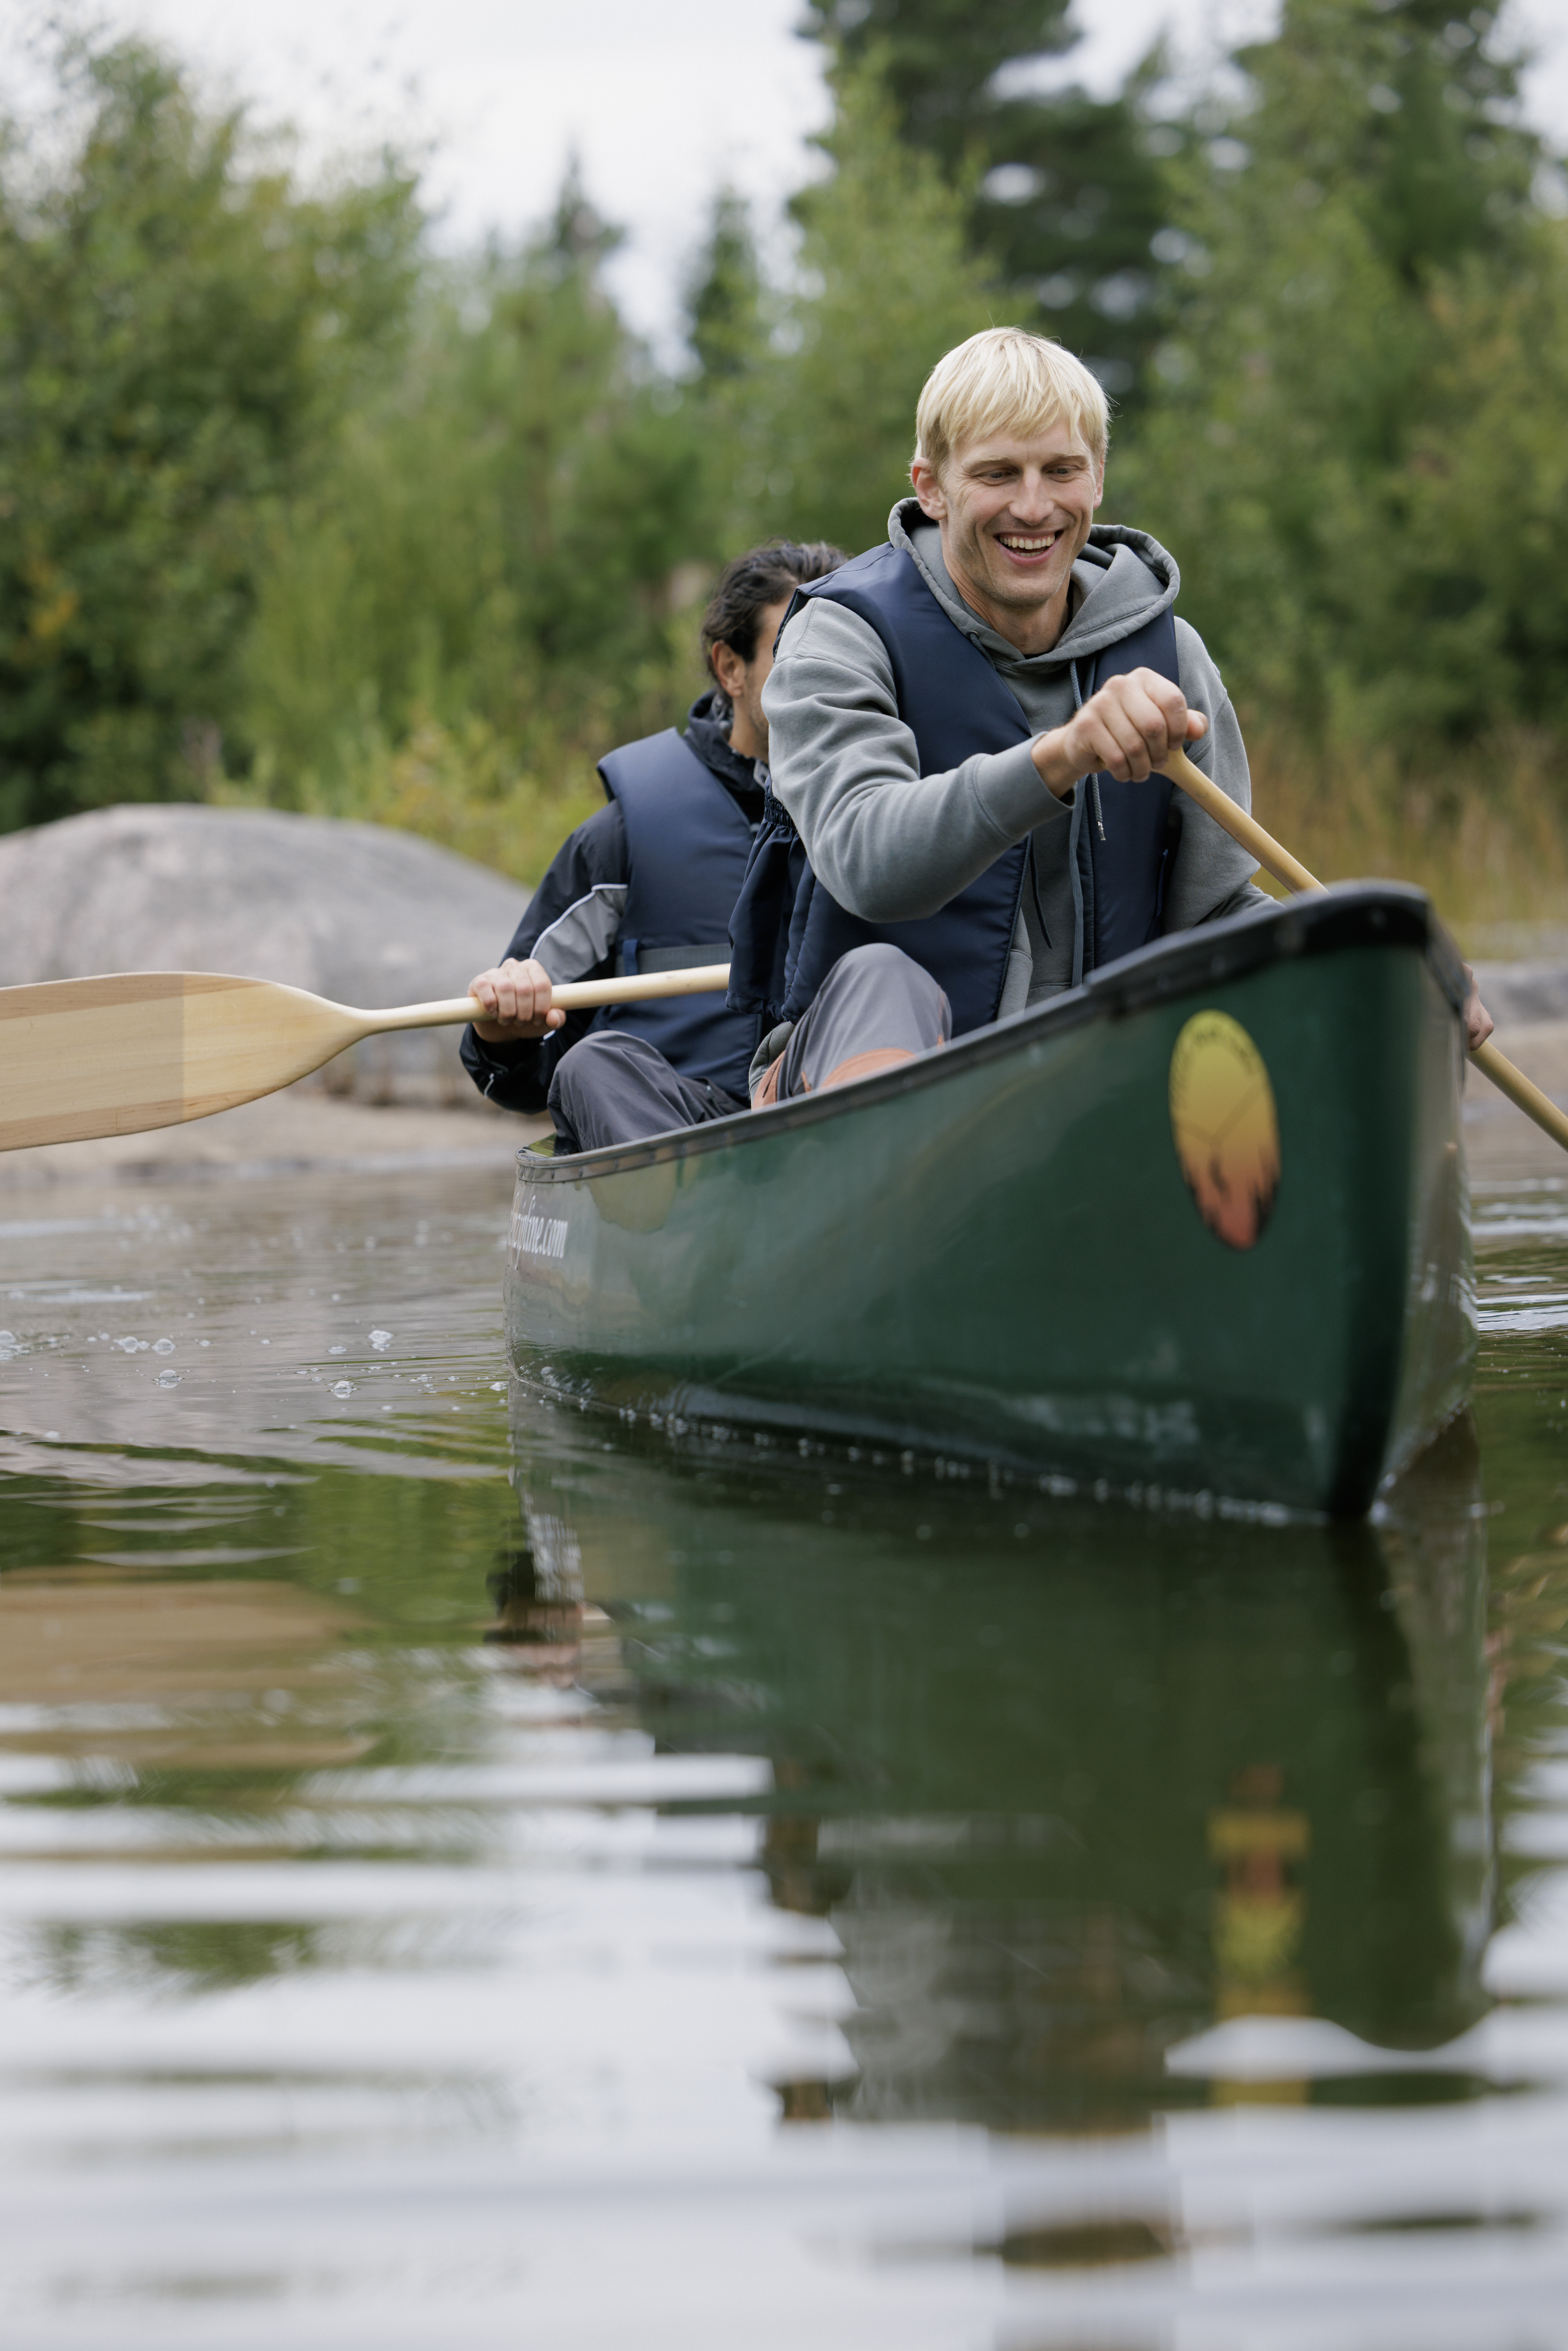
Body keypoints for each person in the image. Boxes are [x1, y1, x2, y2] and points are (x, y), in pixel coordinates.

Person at [727, 325, 1493, 1103]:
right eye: (997, 474)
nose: (1034, 506)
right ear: (931, 487)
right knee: (880, 975)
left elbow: (1214, 913)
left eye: (1061, 470)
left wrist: (1375, 965)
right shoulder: (837, 638)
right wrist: (1061, 757)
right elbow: (866, 863)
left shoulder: (1171, 657)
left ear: (1096, 478)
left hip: (1087, 1085)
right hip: (854, 1071)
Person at [461, 539, 846, 1151]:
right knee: (590, 1065)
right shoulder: (621, 838)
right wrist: (502, 1033)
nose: (821, 681)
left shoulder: (889, 812)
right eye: (793, 655)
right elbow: (523, 1077)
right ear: (730, 669)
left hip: (827, 1120)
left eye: (839, 654)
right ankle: (687, 1203)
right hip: (676, 1128)